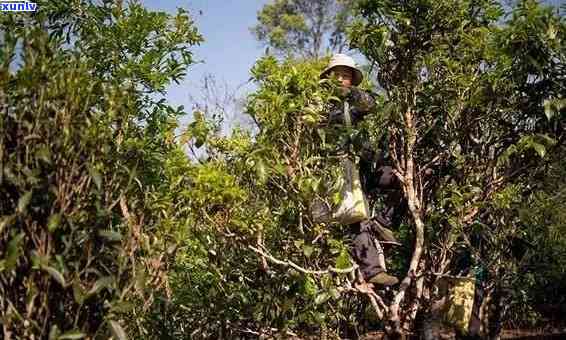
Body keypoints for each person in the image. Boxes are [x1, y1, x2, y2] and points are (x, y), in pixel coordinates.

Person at [320, 54, 403, 286]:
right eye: (336, 75)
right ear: (327, 78)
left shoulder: (357, 100)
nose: (340, 80)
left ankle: (383, 222)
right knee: (356, 219)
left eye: (345, 76)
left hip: (365, 164)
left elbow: (374, 105)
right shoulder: (320, 106)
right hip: (342, 169)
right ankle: (373, 271)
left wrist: (352, 95)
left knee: (398, 180)